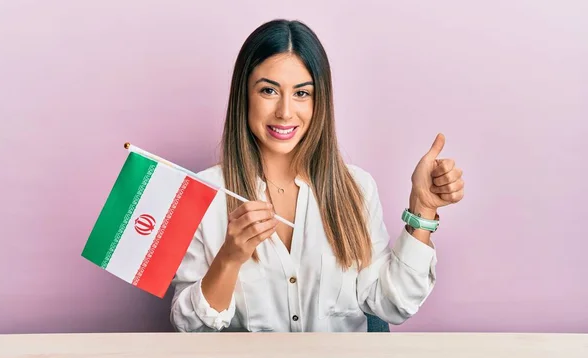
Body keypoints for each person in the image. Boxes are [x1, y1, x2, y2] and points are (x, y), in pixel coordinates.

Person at [170, 19, 464, 332]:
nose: (285, 111)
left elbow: (394, 303)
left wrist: (423, 208)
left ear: (319, 101)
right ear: (244, 95)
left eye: (301, 93)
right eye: (268, 90)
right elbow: (190, 330)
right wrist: (229, 258)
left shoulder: (357, 189)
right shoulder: (203, 195)